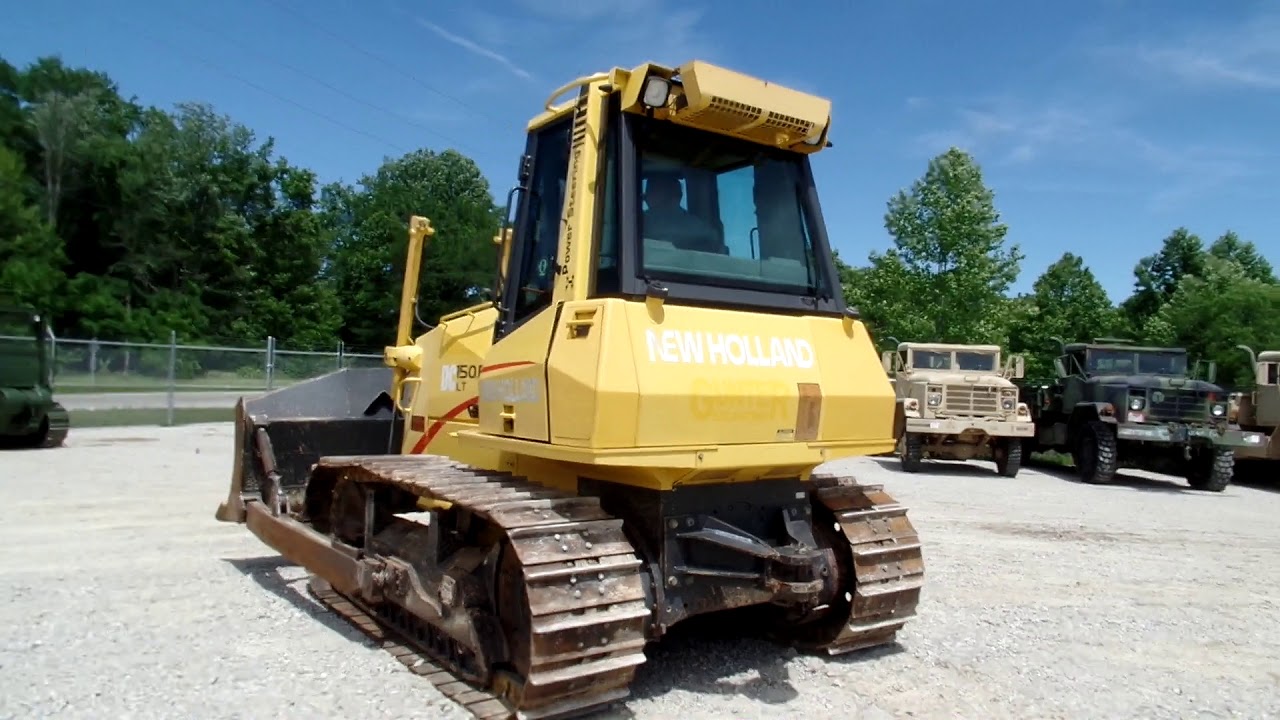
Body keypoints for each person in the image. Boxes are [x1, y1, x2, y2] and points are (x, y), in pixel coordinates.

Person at [641, 174, 722, 253]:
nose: (646, 200)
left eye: (647, 195)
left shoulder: (642, 222)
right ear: (679, 195)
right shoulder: (702, 228)